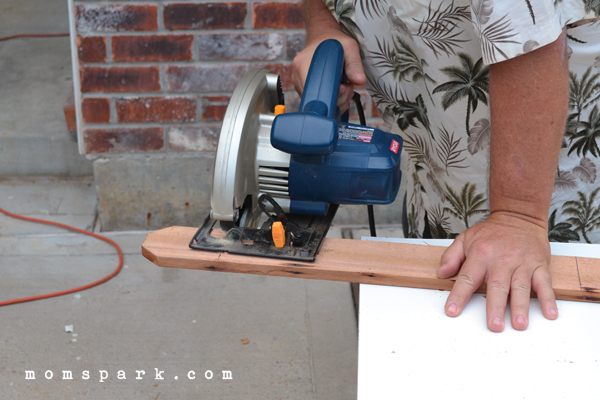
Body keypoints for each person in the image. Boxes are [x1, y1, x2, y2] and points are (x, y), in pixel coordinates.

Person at [293, 0, 600, 332]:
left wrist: (519, 216)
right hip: (434, 168)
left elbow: (528, 37)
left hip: (552, 203)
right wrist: (322, 25)